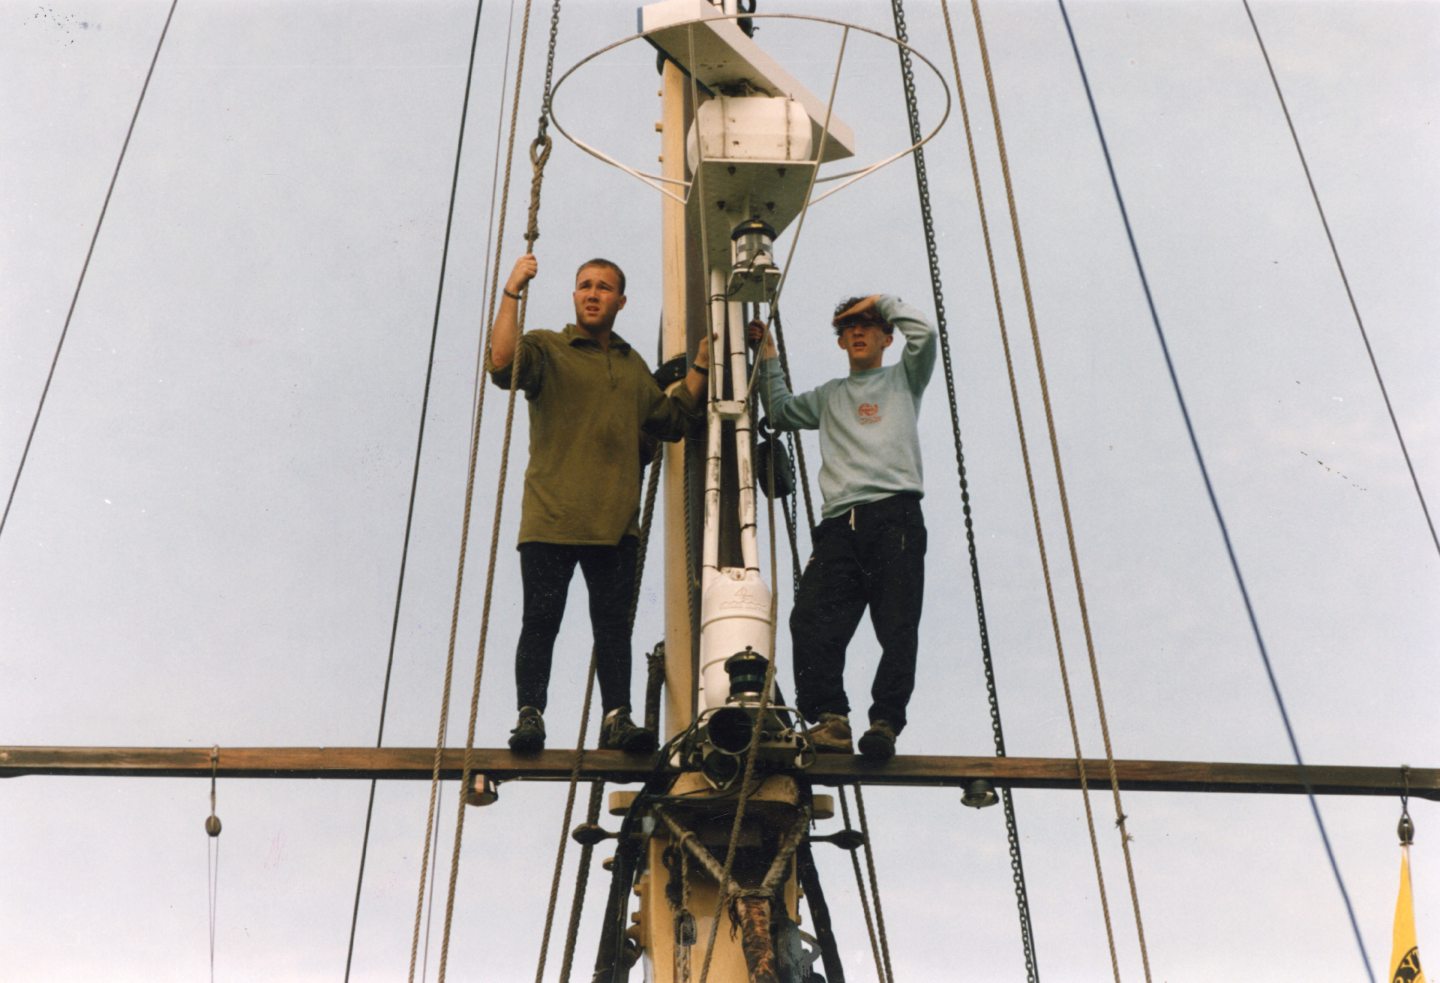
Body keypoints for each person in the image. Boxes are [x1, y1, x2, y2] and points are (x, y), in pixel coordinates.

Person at [488, 254, 709, 753]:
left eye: (604, 287)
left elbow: (671, 420)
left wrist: (700, 366)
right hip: (551, 518)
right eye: (585, 285)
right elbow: (502, 364)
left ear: (621, 301)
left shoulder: (632, 366)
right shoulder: (548, 346)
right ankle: (530, 714)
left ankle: (616, 717)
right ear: (573, 296)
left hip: (615, 526)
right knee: (541, 623)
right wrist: (511, 291)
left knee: (613, 629)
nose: (593, 293)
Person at [751, 294, 936, 760]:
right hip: (839, 525)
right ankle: (831, 719)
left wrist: (882, 302)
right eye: (849, 327)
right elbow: (779, 412)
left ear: (887, 337)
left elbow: (926, 334)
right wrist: (768, 356)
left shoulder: (904, 379)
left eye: (869, 325)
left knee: (897, 628)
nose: (857, 332)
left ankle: (885, 722)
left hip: (895, 517)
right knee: (810, 622)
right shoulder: (830, 395)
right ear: (840, 341)